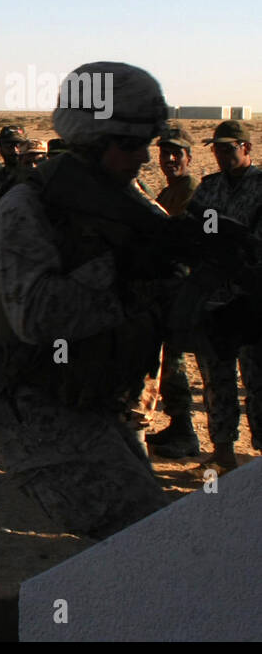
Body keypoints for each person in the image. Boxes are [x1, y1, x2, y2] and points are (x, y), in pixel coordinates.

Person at [0, 62, 171, 540]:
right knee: (153, 545)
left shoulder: (123, 202)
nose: (143, 157)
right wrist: (126, 269)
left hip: (91, 400)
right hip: (36, 411)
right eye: (131, 144)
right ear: (95, 142)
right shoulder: (29, 207)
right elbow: (37, 315)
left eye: (147, 144)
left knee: (154, 543)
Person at [185, 120, 262, 470]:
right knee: (217, 379)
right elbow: (194, 231)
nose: (221, 155)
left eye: (228, 148)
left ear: (246, 149)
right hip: (215, 298)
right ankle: (223, 450)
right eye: (217, 148)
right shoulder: (209, 188)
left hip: (252, 300)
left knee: (257, 379)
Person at [142, 126, 200, 458]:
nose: (170, 159)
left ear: (189, 158)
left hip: (179, 290)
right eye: (165, 153)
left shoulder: (189, 191)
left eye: (177, 153)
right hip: (167, 288)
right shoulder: (171, 191)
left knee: (174, 362)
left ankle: (185, 432)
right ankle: (179, 427)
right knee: (169, 361)